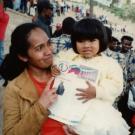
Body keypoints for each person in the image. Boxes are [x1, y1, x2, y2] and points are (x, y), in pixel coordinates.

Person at [54, 18, 130, 135]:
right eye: (81, 41)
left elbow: (116, 85)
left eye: (92, 40)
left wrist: (97, 91)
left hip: (94, 111)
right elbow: (57, 62)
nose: (86, 45)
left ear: (101, 40)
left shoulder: (109, 64)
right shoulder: (68, 55)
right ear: (74, 42)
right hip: (66, 105)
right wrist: (54, 69)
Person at [1, 23, 77, 135]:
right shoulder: (14, 90)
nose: (49, 51)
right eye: (39, 48)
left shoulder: (65, 72)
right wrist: (41, 106)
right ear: (23, 56)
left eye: (48, 43)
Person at [0, 0, 9, 65]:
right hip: (1, 38)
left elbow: (0, 16)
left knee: (0, 56)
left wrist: (1, 3)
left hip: (0, 38)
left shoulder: (5, 16)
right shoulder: (6, 16)